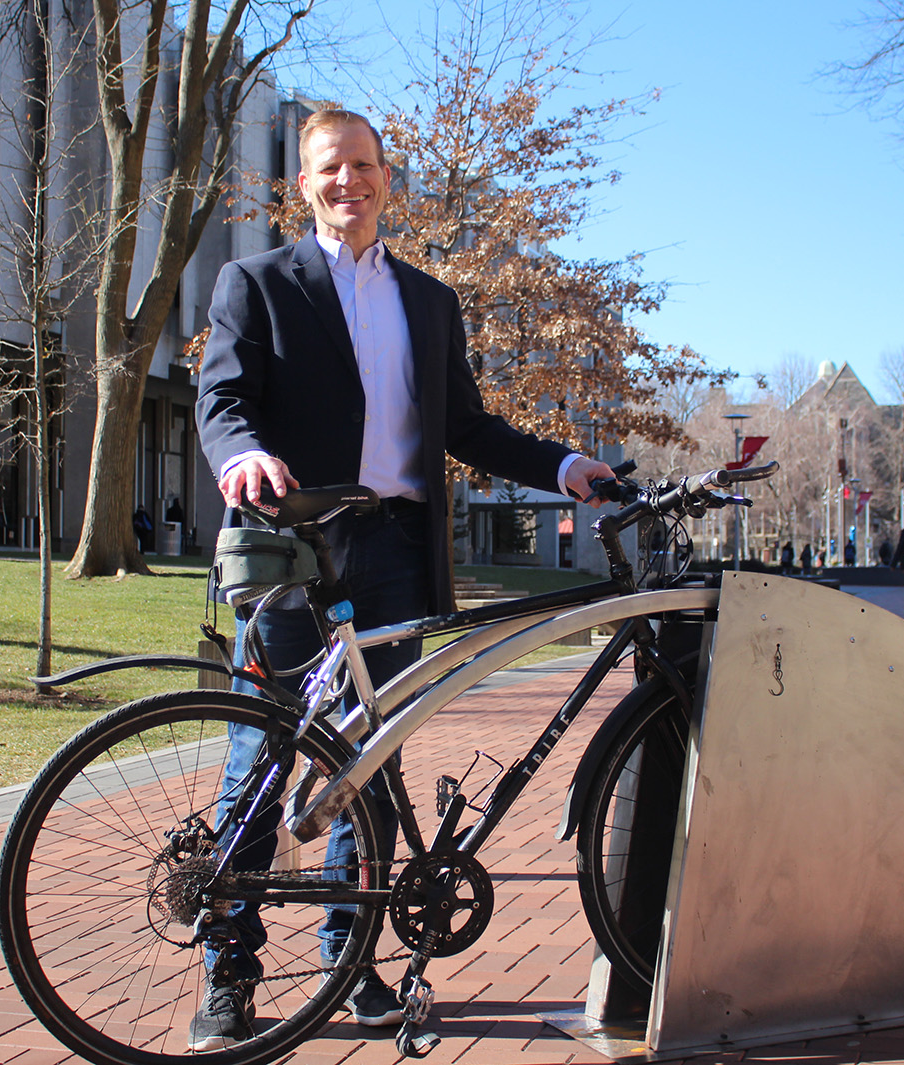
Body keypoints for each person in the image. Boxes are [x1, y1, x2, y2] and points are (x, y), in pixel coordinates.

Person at [194, 108, 614, 1050]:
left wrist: (561, 465)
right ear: (304, 184)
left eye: (367, 167)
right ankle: (228, 973)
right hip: (291, 548)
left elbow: (467, 426)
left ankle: (354, 962)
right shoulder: (255, 282)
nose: (352, 182)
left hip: (390, 554)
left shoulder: (429, 300)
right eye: (332, 168)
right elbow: (222, 401)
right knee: (258, 761)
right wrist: (242, 459)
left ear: (390, 178)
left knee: (369, 768)